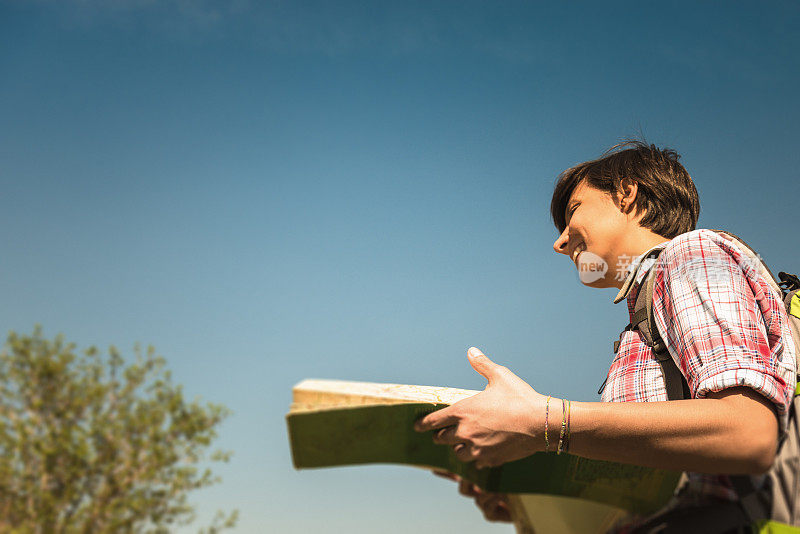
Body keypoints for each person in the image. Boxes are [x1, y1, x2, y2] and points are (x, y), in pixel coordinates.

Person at [414, 141, 797, 532]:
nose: (560, 242)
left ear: (627, 194)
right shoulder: (643, 316)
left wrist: (542, 421)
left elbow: (748, 431)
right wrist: (525, 501)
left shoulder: (690, 255)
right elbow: (660, 479)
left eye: (573, 211)